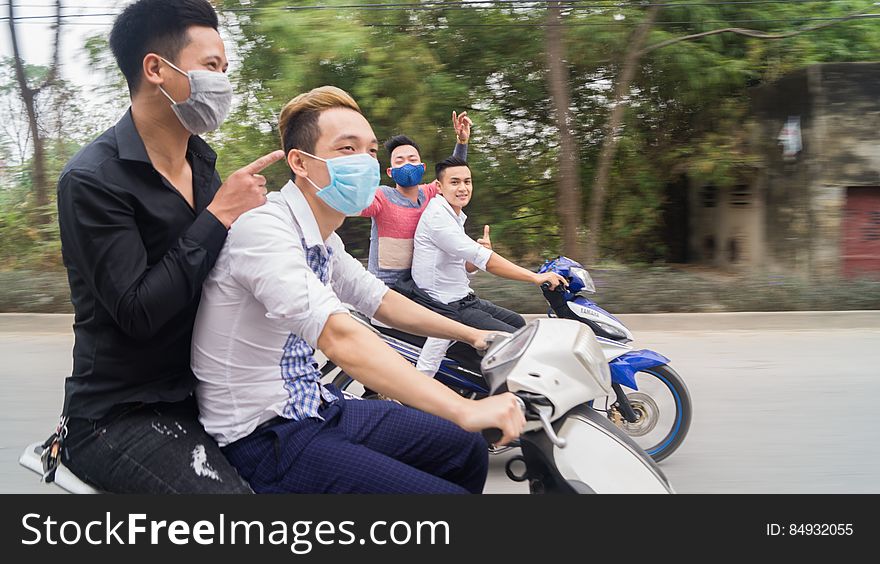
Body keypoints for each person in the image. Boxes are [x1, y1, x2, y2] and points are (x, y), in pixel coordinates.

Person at [191, 86, 526, 494]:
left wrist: (473, 335)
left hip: (316, 404)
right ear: (300, 162)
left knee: (465, 447)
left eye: (370, 151)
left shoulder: (323, 238)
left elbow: (381, 301)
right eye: (346, 149)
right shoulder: (265, 228)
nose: (365, 162)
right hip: (264, 434)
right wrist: (460, 407)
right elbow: (338, 336)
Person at [53, 0, 286, 493]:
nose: (222, 82)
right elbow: (137, 310)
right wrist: (218, 215)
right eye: (211, 67)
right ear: (156, 68)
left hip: (213, 394)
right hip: (123, 414)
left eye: (224, 68)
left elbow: (223, 273)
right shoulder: (93, 179)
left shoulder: (203, 163)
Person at [411, 156, 567, 376]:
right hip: (447, 307)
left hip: (464, 298)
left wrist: (477, 257)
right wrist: (535, 277)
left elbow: (465, 267)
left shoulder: (453, 214)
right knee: (518, 343)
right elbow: (489, 262)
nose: (463, 188)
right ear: (439, 186)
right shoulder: (438, 218)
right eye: (455, 182)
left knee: (518, 322)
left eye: (468, 181)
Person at [360, 112, 472, 287]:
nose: (407, 165)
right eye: (400, 161)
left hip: (418, 287)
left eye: (412, 160)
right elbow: (354, 203)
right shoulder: (381, 196)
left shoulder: (429, 193)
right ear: (390, 172)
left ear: (422, 167)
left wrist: (462, 142)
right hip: (385, 288)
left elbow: (453, 176)